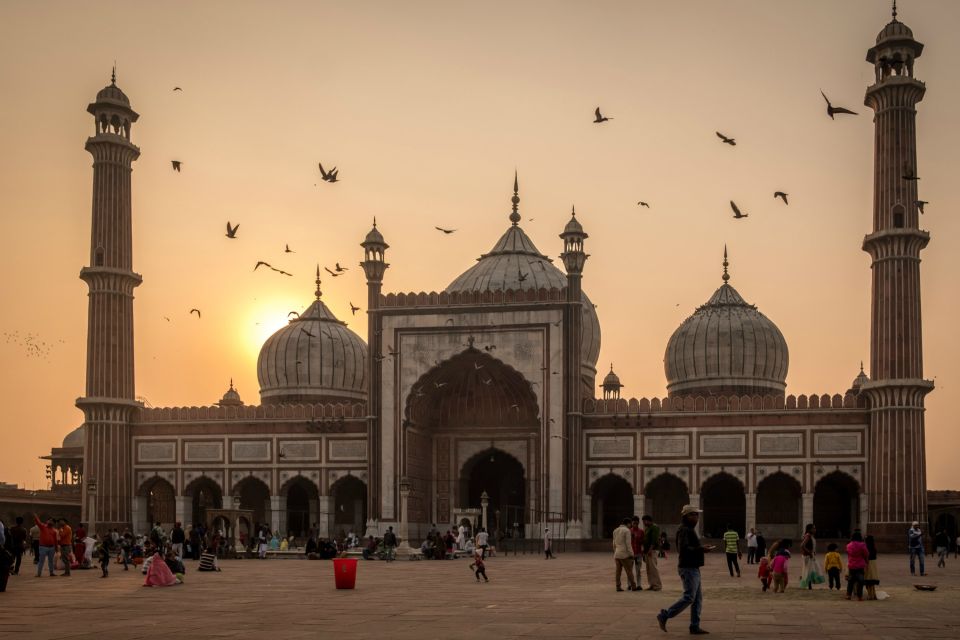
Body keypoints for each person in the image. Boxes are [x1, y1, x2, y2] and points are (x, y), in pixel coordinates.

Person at [657, 505, 715, 635]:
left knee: (697, 599)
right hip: (688, 567)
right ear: (687, 516)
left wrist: (701, 547)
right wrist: (701, 549)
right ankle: (665, 615)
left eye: (697, 514)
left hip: (693, 567)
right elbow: (683, 549)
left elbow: (690, 547)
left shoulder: (688, 529)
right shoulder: (684, 529)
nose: (696, 517)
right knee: (689, 597)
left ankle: (694, 626)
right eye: (694, 514)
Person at [612, 517, 636, 592]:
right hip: (624, 554)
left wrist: (615, 551)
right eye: (630, 524)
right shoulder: (627, 531)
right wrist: (632, 554)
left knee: (618, 572)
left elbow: (613, 543)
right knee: (629, 571)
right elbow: (628, 544)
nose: (631, 526)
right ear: (628, 523)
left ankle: (618, 586)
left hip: (617, 554)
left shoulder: (615, 530)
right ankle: (633, 586)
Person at [799, 524, 824, 589]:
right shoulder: (808, 536)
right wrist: (809, 552)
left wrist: (812, 552)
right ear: (809, 529)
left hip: (810, 555)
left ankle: (809, 585)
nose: (815, 530)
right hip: (807, 556)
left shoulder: (811, 536)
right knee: (808, 570)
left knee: (810, 570)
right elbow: (802, 545)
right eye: (813, 528)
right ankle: (807, 584)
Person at [846, 530, 869, 601]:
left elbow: (848, 554)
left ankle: (848, 595)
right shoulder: (862, 545)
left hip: (851, 565)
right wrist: (866, 561)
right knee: (860, 581)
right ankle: (860, 596)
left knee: (851, 581)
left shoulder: (849, 545)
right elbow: (866, 554)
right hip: (860, 565)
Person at [641, 515, 662, 590]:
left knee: (653, 568)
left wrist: (650, 549)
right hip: (647, 551)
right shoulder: (647, 528)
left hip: (652, 551)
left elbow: (654, 539)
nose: (643, 523)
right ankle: (652, 584)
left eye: (644, 521)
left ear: (648, 520)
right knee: (649, 569)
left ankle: (657, 585)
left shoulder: (654, 527)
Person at [864, 535, 881, 600]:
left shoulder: (866, 547)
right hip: (873, 564)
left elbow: (865, 556)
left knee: (868, 581)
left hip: (867, 563)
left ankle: (869, 595)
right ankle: (873, 594)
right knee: (872, 581)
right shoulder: (874, 548)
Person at [628, 517, 643, 589]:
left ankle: (639, 585)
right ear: (632, 523)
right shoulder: (628, 531)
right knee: (629, 570)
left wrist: (638, 538)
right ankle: (629, 584)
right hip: (630, 553)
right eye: (634, 523)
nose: (635, 525)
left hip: (638, 553)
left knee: (638, 570)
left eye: (636, 523)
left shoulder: (641, 531)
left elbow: (643, 542)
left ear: (638, 523)